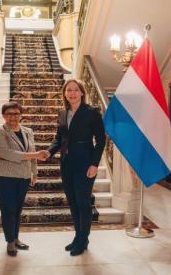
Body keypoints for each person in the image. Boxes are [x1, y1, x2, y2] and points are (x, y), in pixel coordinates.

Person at [45, 79, 106, 256]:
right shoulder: (62, 113)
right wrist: (49, 152)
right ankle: (78, 237)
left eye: (75, 90)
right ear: (64, 93)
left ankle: (83, 239)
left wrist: (94, 164)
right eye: (68, 90)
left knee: (82, 202)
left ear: (81, 92)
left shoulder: (91, 112)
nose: (72, 93)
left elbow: (101, 140)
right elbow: (59, 138)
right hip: (66, 163)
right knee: (72, 202)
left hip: (85, 163)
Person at [0, 102, 48, 256]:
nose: (13, 117)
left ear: (20, 115)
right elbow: (6, 154)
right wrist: (34, 155)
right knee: (8, 210)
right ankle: (9, 242)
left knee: (17, 210)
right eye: (9, 114)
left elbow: (32, 151)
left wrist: (34, 173)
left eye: (16, 113)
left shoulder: (28, 131)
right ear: (3, 115)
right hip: (5, 177)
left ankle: (15, 238)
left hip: (23, 177)